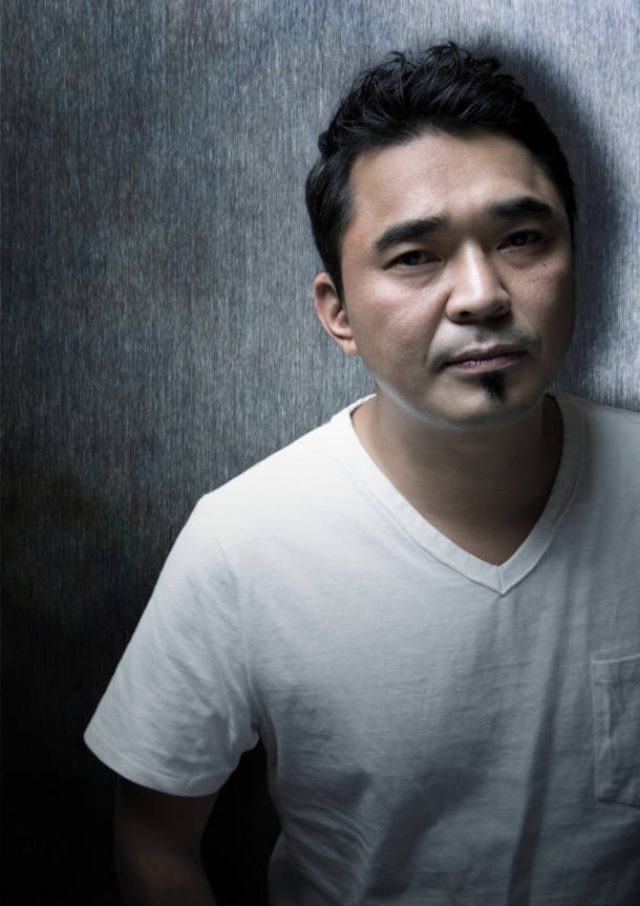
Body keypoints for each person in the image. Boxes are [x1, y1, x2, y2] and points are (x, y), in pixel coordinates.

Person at [85, 43, 640, 905]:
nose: (482, 294)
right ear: (338, 312)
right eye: (415, 256)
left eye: (522, 238)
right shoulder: (243, 542)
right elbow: (156, 838)